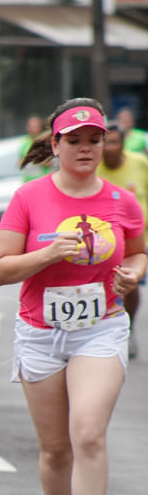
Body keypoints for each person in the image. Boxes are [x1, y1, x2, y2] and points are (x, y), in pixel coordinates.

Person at [0, 98, 146, 495]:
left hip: (100, 327)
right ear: (54, 145)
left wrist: (132, 276)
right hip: (40, 332)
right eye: (74, 140)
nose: (85, 148)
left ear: (105, 142)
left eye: (94, 139)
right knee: (57, 451)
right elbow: (0, 270)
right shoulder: (29, 198)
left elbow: (140, 252)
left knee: (89, 435)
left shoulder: (123, 201)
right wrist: (46, 253)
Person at [97, 124, 148, 358]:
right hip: (100, 241)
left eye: (115, 142)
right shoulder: (92, 169)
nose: (110, 148)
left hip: (137, 239)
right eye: (105, 143)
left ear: (123, 145)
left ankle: (127, 326)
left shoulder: (139, 163)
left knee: (131, 284)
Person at [19, 115, 51, 182]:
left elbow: (50, 161)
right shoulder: (24, 141)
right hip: (28, 180)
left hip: (43, 180)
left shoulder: (45, 140)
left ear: (40, 127)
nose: (32, 128)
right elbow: (20, 160)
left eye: (35, 126)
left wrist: (35, 161)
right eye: (31, 126)